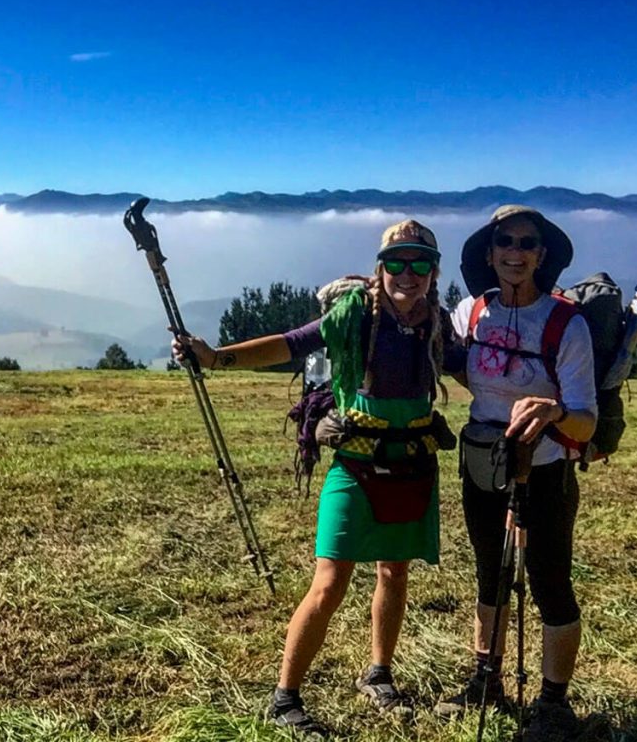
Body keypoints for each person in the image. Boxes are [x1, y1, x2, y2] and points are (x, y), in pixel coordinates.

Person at [174, 220, 462, 737]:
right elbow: (290, 344)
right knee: (330, 582)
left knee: (394, 571)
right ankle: (285, 698)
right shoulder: (353, 315)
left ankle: (379, 673)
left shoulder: (436, 324)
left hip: (412, 464)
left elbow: (476, 369)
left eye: (420, 262)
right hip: (355, 466)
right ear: (381, 268)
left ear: (434, 271)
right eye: (397, 262)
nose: (408, 273)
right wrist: (217, 358)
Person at [434, 205, 597, 742]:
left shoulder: (565, 323)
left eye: (528, 243)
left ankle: (553, 704)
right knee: (490, 574)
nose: (516, 252)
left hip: (545, 467)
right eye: (506, 241)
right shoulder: (471, 313)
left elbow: (586, 417)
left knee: (549, 579)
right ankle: (487, 678)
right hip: (483, 459)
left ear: (542, 256)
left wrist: (552, 412)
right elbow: (441, 353)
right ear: (489, 252)